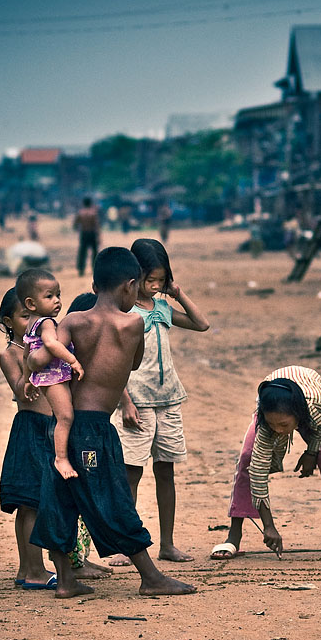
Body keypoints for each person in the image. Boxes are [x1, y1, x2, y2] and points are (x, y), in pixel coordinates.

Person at [30, 247, 196, 598]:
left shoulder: (74, 321)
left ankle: (65, 581)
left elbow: (43, 359)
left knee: (60, 498)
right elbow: (132, 366)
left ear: (94, 283)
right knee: (112, 497)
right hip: (94, 429)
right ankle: (150, 577)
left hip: (63, 424)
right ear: (130, 286)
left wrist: (40, 349)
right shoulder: (134, 323)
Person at [0, 288, 110, 589]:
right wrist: (29, 358)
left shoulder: (46, 344)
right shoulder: (10, 354)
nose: (31, 321)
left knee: (35, 503)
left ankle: (29, 568)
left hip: (47, 427)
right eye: (24, 317)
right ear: (9, 321)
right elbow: (21, 389)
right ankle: (33, 569)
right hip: (31, 427)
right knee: (29, 502)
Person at [211, 365, 321, 560]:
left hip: (311, 404)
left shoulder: (317, 406)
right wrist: (269, 526)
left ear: (298, 417)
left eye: (284, 425)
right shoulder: (268, 423)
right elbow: (258, 471)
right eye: (273, 425)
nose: (279, 431)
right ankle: (234, 536)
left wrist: (311, 452)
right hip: (275, 401)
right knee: (247, 458)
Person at [109, 239, 209, 566]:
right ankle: (127, 545)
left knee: (166, 472)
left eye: (160, 280)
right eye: (149, 280)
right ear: (133, 277)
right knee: (131, 474)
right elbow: (114, 363)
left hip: (168, 401)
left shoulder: (163, 308)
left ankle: (167, 543)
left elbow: (201, 323)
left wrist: (177, 293)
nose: (154, 286)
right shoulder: (124, 313)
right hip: (136, 401)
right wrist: (124, 402)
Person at [16, 268, 84, 481]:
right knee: (66, 416)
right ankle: (61, 458)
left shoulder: (31, 324)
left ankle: (60, 452)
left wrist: (28, 379)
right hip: (53, 377)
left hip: (45, 377)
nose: (57, 301)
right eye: (49, 296)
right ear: (30, 304)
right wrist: (72, 360)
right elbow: (51, 344)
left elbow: (27, 353)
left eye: (58, 295)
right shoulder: (46, 323)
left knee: (60, 416)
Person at [73, 197, 101, 277]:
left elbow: (75, 224)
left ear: (83, 203)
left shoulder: (80, 213)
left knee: (82, 252)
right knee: (94, 252)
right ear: (91, 203)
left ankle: (81, 269)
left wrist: (79, 229)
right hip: (92, 233)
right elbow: (96, 226)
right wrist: (99, 236)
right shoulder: (93, 213)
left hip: (84, 233)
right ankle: (94, 268)